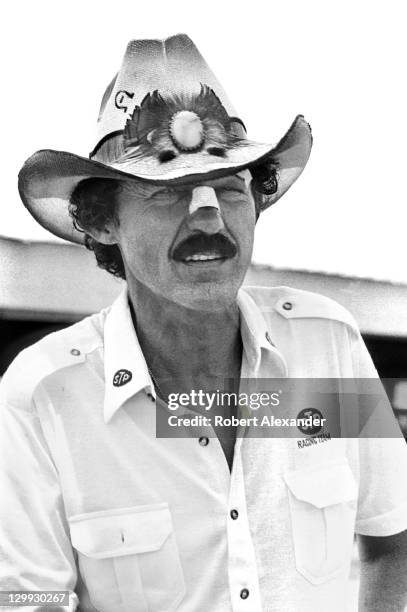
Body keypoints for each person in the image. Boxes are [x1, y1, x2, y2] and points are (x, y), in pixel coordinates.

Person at [1, 34, 407, 612]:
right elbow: (25, 598)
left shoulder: (325, 344)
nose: (209, 216)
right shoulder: (44, 396)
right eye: (167, 191)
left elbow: (394, 539)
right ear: (103, 220)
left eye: (228, 187)